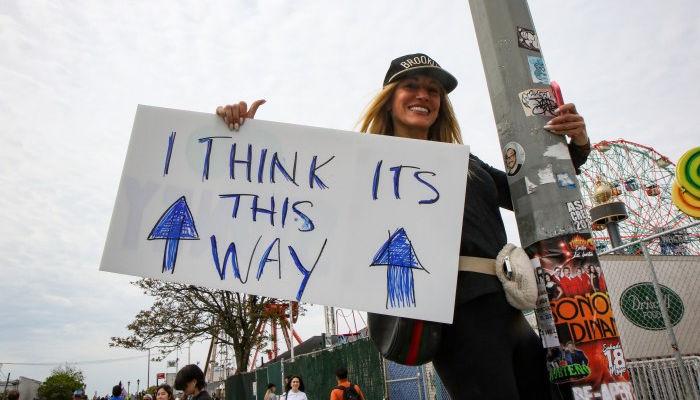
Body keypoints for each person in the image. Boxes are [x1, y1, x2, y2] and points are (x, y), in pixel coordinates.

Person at [216, 52, 591, 399]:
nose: (423, 95)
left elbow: (526, 191)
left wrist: (574, 145)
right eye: (411, 86)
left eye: (433, 89)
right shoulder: (360, 164)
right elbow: (292, 188)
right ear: (390, 99)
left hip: (507, 309)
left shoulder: (466, 162)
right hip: (453, 314)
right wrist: (240, 136)